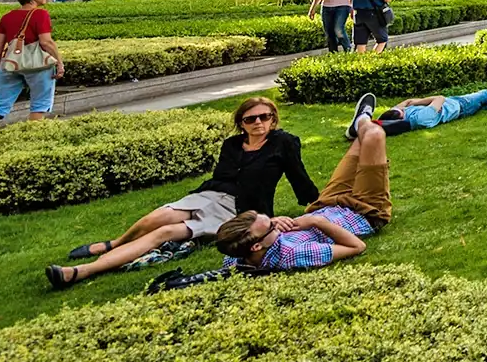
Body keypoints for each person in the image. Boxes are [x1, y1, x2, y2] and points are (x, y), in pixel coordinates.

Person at [47, 97, 317, 286]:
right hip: (210, 195)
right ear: (241, 123)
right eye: (251, 118)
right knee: (159, 216)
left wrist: (312, 202)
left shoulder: (284, 143)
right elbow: (222, 178)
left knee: (163, 233)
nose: (258, 122)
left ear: (273, 119)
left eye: (265, 117)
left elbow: (298, 175)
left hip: (241, 209)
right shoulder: (232, 145)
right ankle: (117, 243)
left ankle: (81, 272)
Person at [214, 112, 397, 273]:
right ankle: (363, 119)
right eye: (270, 227)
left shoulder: (235, 256)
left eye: (270, 221)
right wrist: (315, 221)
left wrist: (273, 221)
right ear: (256, 246)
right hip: (364, 211)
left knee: (363, 139)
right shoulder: (293, 255)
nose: (274, 225)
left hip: (326, 203)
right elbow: (357, 246)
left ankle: (361, 121)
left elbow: (230, 244)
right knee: (373, 135)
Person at [0, 0, 63, 128]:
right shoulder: (40, 14)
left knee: (0, 106)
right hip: (38, 65)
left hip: (10, 63)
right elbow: (46, 42)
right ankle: (31, 139)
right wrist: (59, 62)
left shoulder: (7, 17)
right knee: (39, 104)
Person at [352, 75, 487, 135]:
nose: (404, 106)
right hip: (459, 106)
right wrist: (419, 102)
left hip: (453, 103)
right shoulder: (421, 118)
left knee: (484, 106)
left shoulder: (401, 114)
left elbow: (406, 103)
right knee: (484, 95)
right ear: (402, 115)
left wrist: (411, 104)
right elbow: (439, 98)